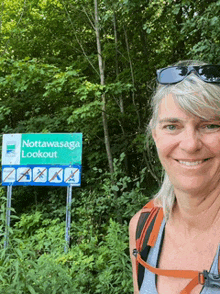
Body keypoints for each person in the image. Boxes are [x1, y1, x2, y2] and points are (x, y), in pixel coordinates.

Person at [129, 61, 220, 294]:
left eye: (210, 125)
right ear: (155, 135)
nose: (190, 145)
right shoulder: (143, 227)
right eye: (172, 126)